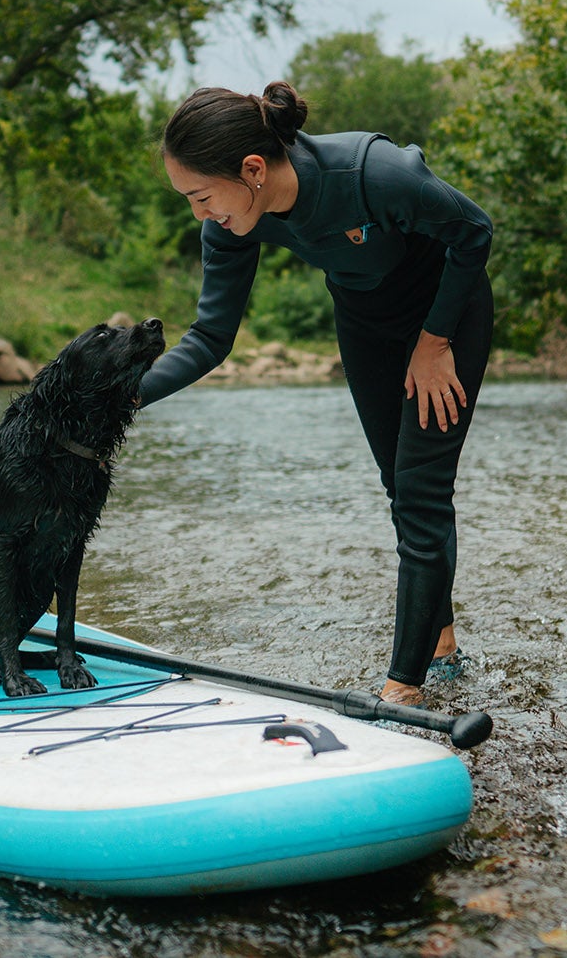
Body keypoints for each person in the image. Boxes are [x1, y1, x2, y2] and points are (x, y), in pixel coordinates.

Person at [137, 81, 495, 707]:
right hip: (365, 323)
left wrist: (435, 341)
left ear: (252, 170)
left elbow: (472, 231)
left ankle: (401, 690)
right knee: (398, 485)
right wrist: (119, 397)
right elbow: (210, 338)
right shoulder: (232, 225)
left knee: (421, 492)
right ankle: (440, 646)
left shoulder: (374, 174)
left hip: (446, 315)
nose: (199, 213)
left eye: (200, 195)